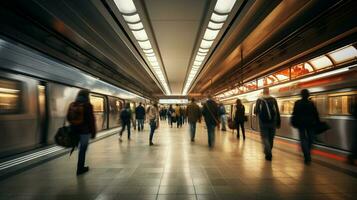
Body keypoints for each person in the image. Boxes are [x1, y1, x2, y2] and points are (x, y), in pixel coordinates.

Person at [67, 89, 96, 175]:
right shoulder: (88, 105)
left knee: (80, 148)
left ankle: (80, 167)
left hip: (75, 130)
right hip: (84, 131)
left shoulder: (72, 104)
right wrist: (93, 132)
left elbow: (68, 118)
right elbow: (91, 120)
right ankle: (80, 168)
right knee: (82, 150)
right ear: (87, 96)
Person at [291, 89, 320, 165]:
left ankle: (306, 156)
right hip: (310, 124)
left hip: (301, 124)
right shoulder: (311, 103)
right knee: (311, 139)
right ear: (308, 95)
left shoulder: (297, 103)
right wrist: (318, 122)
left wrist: (293, 122)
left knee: (303, 139)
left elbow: (294, 113)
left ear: (301, 95)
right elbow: (316, 114)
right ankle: (308, 153)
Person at [254, 88, 280, 161]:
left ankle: (268, 152)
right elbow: (277, 111)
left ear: (263, 92)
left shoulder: (259, 100)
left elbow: (255, 111)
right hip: (272, 122)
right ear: (268, 92)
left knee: (265, 137)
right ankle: (268, 151)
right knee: (271, 138)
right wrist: (278, 122)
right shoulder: (273, 99)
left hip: (263, 122)